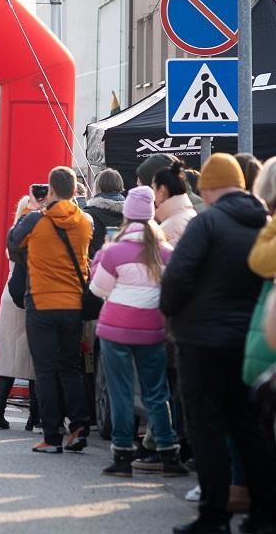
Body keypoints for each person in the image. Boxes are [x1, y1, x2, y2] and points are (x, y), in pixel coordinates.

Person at [161, 154, 276, 533]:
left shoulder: (207, 222)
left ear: (208, 187)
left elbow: (177, 278)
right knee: (249, 425)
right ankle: (263, 514)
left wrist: (175, 316)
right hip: (252, 341)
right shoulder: (264, 222)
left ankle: (214, 516)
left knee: (208, 427)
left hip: (202, 340)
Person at [89, 185, 183, 478]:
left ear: (127, 215)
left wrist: (96, 266)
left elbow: (98, 289)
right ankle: (167, 453)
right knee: (157, 393)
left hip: (115, 329)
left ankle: (122, 455)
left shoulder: (114, 251)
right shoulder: (165, 252)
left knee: (120, 393)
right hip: (152, 329)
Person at [7, 166, 93, 454]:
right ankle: (80, 426)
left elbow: (13, 247)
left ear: (50, 190)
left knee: (44, 371)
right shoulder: (85, 221)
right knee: (70, 367)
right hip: (72, 304)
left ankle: (52, 435)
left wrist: (32, 208)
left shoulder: (35, 220)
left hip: (42, 303)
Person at [0, 196, 39, 431]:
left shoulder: (14, 233)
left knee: (7, 357)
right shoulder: (40, 232)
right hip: (34, 292)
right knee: (35, 361)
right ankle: (34, 418)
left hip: (10, 294)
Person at [153, 163, 198, 245]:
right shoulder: (190, 213)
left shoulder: (168, 229)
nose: (153, 195)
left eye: (153, 188)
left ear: (162, 191)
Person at [87, 168, 126, 257]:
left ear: (97, 187)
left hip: (97, 265)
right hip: (125, 265)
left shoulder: (88, 215)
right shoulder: (132, 214)